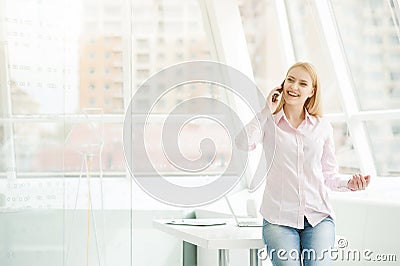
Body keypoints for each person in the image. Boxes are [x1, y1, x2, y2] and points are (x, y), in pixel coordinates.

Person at [236, 62, 370, 265]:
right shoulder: (269, 123)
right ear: (283, 84)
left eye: (302, 83)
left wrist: (349, 184)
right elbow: (241, 143)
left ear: (311, 91)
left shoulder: (322, 127)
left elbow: (329, 176)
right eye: (290, 80)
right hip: (278, 220)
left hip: (318, 219)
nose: (294, 86)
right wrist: (266, 110)